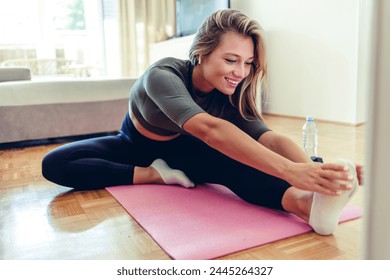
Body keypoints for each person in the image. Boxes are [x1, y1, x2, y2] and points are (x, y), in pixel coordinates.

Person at [42, 9, 362, 235]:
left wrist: (313, 171)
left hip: (186, 153)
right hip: (132, 145)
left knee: (233, 162)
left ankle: (307, 205)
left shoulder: (231, 94)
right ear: (202, 53)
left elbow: (269, 139)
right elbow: (210, 130)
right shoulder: (163, 75)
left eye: (248, 63)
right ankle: (154, 174)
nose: (240, 72)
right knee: (55, 163)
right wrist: (292, 171)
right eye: (231, 60)